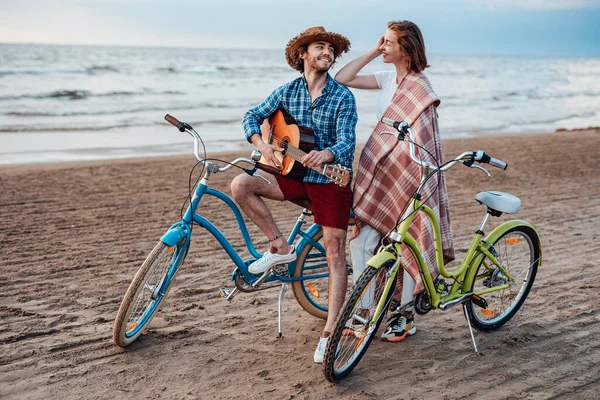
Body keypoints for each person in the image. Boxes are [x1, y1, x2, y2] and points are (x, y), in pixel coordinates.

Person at [231, 26, 357, 363]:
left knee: (334, 255)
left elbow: (347, 141)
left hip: (331, 180)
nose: (327, 53)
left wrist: (327, 154)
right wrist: (261, 144)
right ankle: (280, 246)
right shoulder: (287, 92)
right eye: (319, 47)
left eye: (331, 49)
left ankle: (330, 331)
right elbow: (252, 116)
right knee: (241, 185)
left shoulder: (343, 96)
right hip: (293, 175)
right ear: (302, 54)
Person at [335, 20, 454, 342]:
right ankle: (365, 309)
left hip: (411, 175)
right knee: (362, 242)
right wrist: (374, 51)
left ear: (406, 48)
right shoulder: (388, 78)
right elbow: (341, 78)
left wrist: (415, 176)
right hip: (382, 172)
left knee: (407, 245)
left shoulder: (421, 88)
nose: (383, 46)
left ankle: (405, 316)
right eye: (382, 42)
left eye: (388, 43)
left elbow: (426, 142)